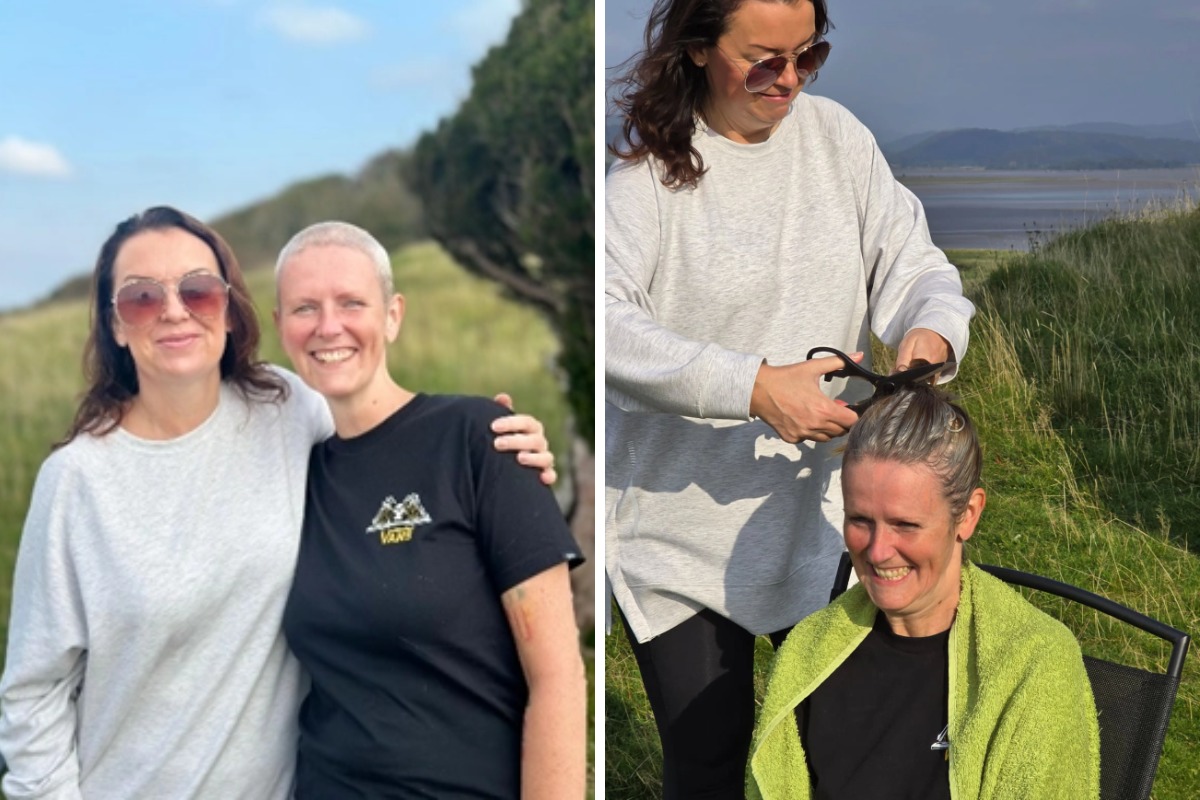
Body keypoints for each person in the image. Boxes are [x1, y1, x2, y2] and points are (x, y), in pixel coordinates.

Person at [0, 206, 555, 798]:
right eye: (140, 297)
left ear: (229, 309)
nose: (173, 310)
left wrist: (501, 446)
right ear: (114, 325)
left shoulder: (289, 408)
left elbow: (387, 442)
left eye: (198, 290)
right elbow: (35, 692)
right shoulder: (77, 480)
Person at [604, 0, 976, 794]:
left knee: (841, 754)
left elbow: (915, 268)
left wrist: (931, 334)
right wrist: (753, 388)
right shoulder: (646, 173)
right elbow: (602, 325)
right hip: (678, 541)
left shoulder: (837, 138)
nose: (789, 81)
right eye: (763, 59)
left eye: (808, 56)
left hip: (823, 530)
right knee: (708, 759)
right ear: (699, 50)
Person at [273, 221, 587, 798]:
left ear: (392, 315)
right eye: (304, 308)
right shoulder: (293, 478)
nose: (328, 326)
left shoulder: (479, 441)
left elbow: (559, 678)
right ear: (280, 328)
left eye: (351, 302)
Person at [748, 386, 1100, 799]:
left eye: (905, 525)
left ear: (967, 515)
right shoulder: (811, 652)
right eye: (860, 519)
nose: (877, 551)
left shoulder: (1032, 665)